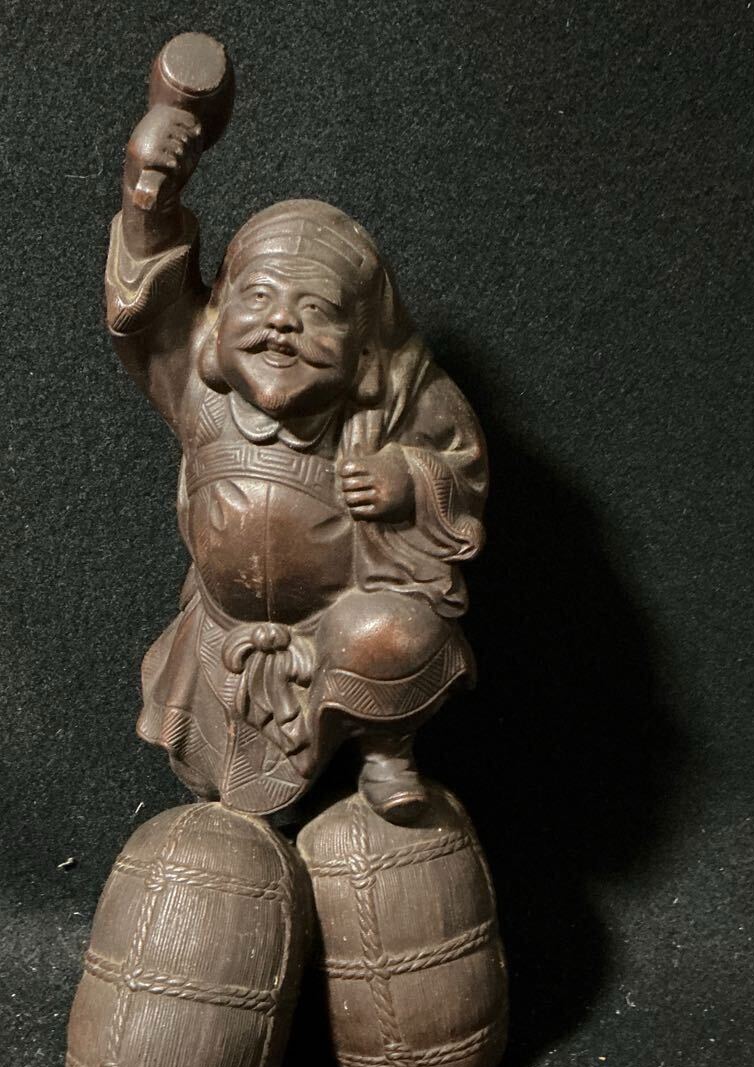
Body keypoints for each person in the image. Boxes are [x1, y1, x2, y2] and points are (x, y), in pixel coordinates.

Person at [105, 104, 488, 823]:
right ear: (217, 323)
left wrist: (408, 480)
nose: (282, 322)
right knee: (214, 773)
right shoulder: (200, 391)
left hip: (344, 625)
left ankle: (385, 752)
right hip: (223, 626)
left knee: (399, 634)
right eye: (259, 297)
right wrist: (147, 195)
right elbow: (146, 314)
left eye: (316, 310)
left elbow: (461, 465)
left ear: (365, 351)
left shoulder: (393, 404)